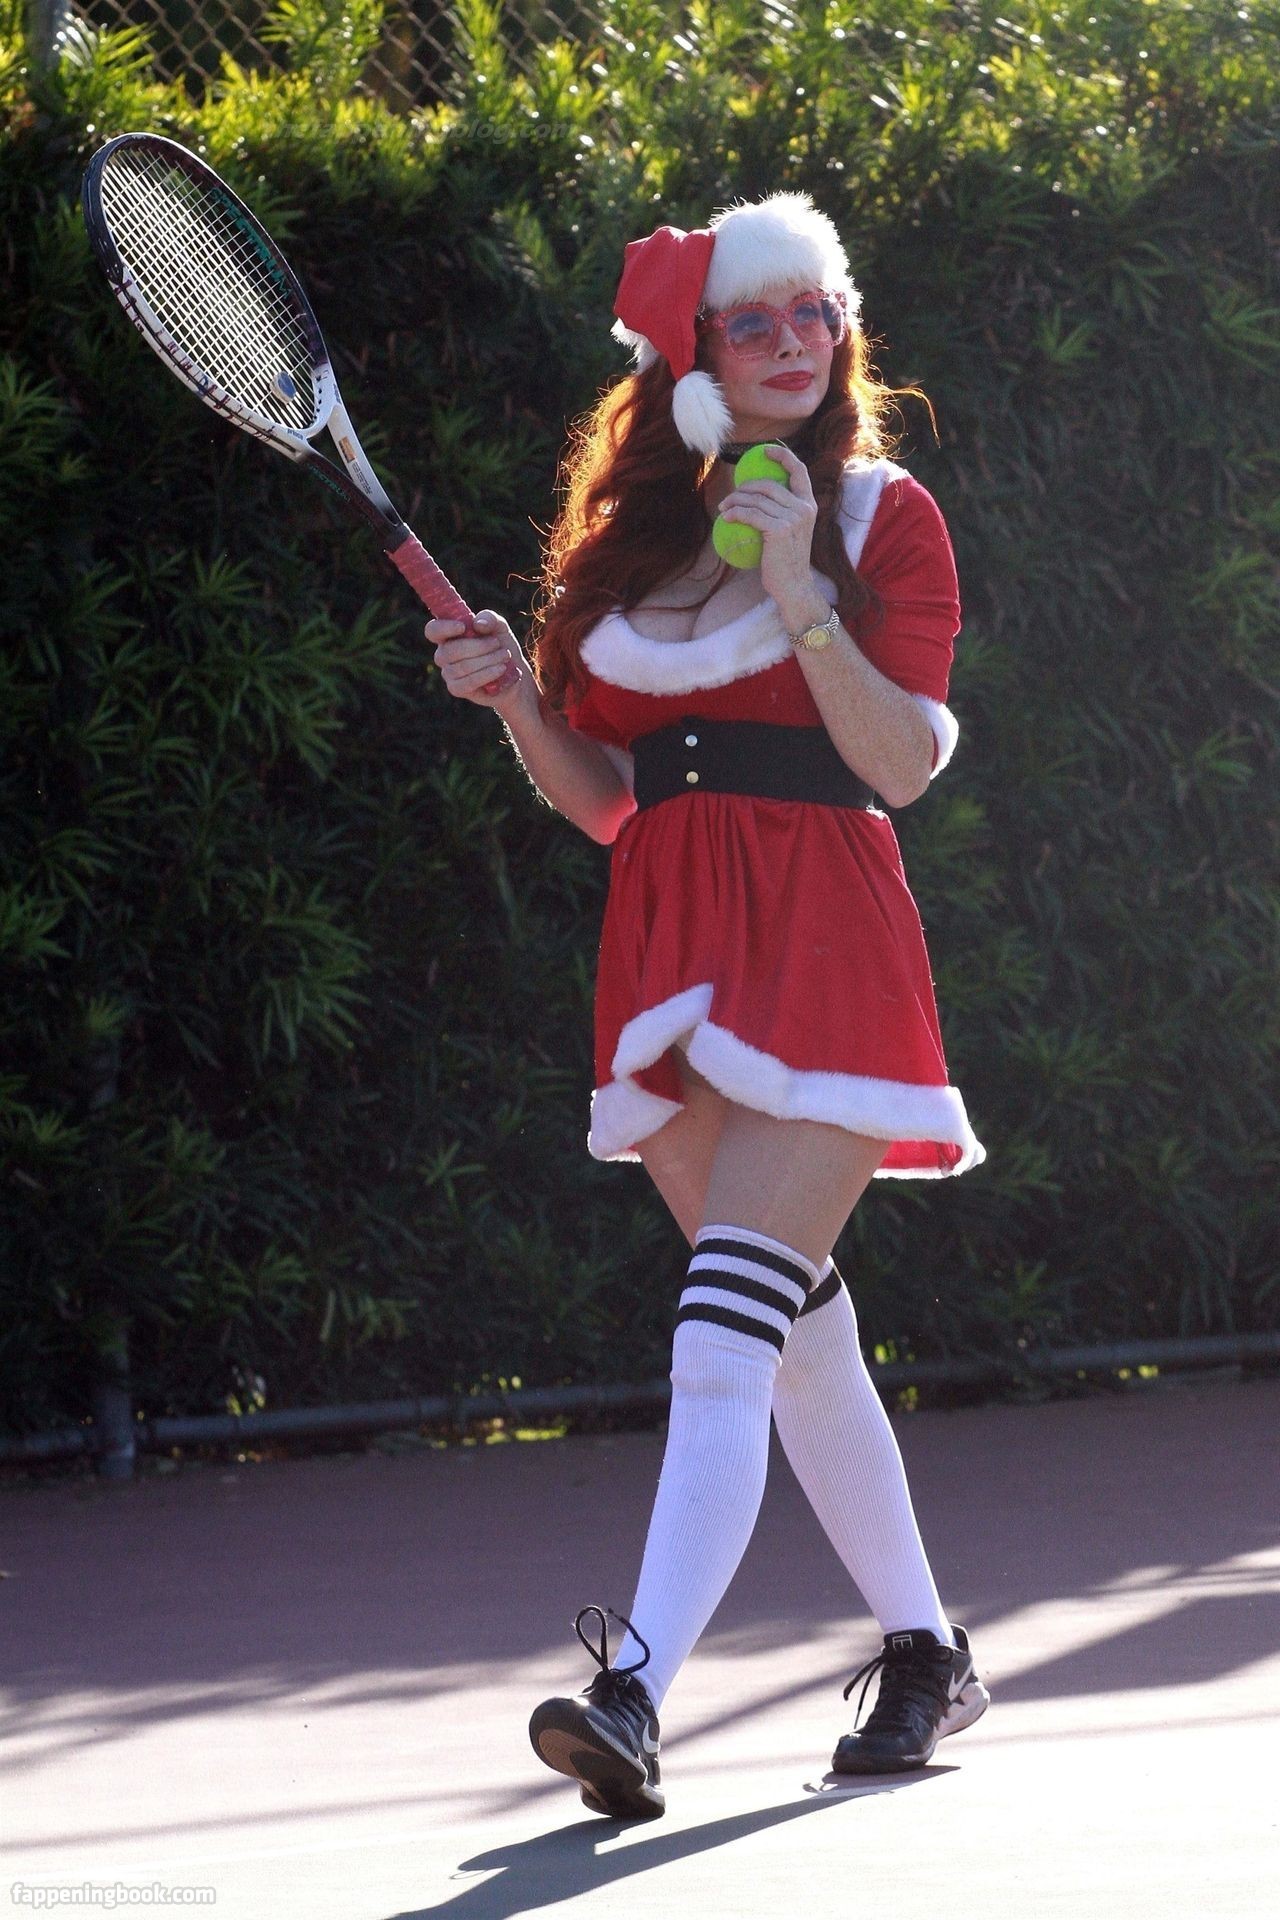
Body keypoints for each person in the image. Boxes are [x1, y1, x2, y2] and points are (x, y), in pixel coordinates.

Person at [426, 190, 990, 1821]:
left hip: (826, 943)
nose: (794, 342)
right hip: (669, 954)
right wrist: (516, 700)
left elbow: (899, 763)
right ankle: (928, 1651)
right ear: (693, 362)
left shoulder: (883, 517)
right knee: (792, 1334)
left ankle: (635, 1688)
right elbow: (613, 802)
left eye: (815, 312)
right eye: (754, 321)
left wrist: (802, 583)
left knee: (723, 1330)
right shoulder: (625, 552)